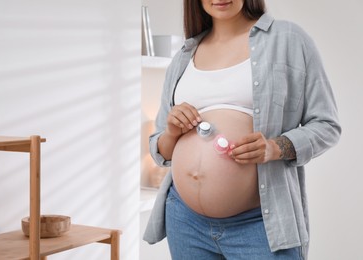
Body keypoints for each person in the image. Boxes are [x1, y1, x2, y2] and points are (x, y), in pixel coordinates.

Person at [143, 0, 341, 259]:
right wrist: (171, 131)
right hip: (185, 220)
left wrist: (274, 147)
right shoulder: (184, 55)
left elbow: (327, 125)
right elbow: (161, 149)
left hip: (260, 222)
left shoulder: (288, 40)